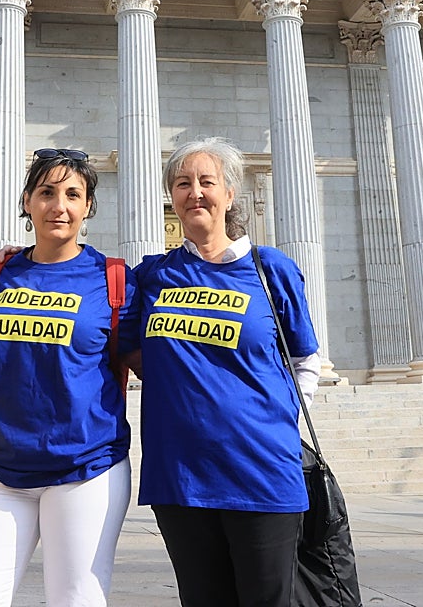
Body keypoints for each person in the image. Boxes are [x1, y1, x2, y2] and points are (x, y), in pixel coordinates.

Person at [121, 137, 322, 607]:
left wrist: (282, 419)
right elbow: (124, 345)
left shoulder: (270, 268)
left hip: (263, 472)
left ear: (231, 194)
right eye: (182, 183)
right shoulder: (153, 274)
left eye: (206, 182)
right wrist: (14, 258)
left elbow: (305, 358)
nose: (195, 193)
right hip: (182, 476)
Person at [0, 149, 139, 607]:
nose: (60, 205)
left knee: (76, 601)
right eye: (47, 193)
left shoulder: (113, 280)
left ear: (88, 206)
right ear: (27, 201)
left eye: (73, 194)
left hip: (86, 470)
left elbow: (154, 357)